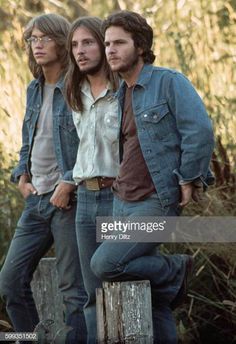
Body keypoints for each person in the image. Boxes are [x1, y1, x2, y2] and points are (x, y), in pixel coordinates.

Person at [89, 10, 215, 344]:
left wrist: (189, 177)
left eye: (119, 43)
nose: (110, 50)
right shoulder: (122, 93)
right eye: (107, 44)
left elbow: (199, 131)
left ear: (141, 45)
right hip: (121, 202)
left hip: (156, 201)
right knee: (151, 294)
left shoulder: (168, 81)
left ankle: (176, 269)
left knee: (104, 265)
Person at [0, 13, 87, 343]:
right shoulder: (34, 88)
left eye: (44, 38)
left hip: (67, 201)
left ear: (62, 42)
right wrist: (21, 175)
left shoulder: (78, 86)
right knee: (10, 282)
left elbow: (92, 143)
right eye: (31, 39)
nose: (37, 45)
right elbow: (29, 137)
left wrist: (69, 181)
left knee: (73, 292)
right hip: (35, 201)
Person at [65, 17, 119, 344]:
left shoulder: (123, 90)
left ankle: (169, 271)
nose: (80, 51)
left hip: (119, 196)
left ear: (102, 43)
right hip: (85, 199)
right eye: (74, 45)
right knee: (92, 293)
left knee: (119, 277)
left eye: (88, 43)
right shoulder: (75, 92)